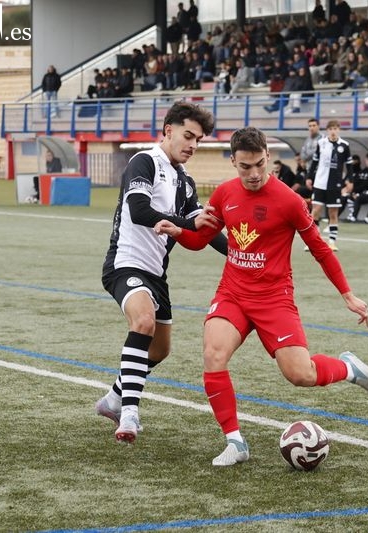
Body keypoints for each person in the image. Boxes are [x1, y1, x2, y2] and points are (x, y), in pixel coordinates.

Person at [154, 127, 368, 467]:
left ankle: (349, 368)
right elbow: (200, 240)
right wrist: (179, 231)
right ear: (233, 161)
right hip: (232, 292)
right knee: (213, 355)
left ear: (268, 157)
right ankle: (235, 442)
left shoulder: (289, 201)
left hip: (274, 298)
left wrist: (348, 294)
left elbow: (320, 249)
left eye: (260, 165)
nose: (254, 174)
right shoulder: (223, 195)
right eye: (245, 167)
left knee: (300, 375)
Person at [97, 102, 228, 444]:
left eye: (198, 140)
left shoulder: (185, 182)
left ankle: (112, 399)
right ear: (168, 130)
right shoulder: (145, 161)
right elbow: (139, 210)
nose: (193, 145)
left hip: (156, 274)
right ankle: (128, 413)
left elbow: (204, 230)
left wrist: (240, 254)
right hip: (124, 264)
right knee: (142, 322)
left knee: (159, 351)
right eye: (188, 136)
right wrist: (187, 223)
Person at [309, 120, 351, 251]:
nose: (333, 131)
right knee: (315, 210)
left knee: (333, 213)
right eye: (331, 128)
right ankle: (313, 241)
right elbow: (314, 162)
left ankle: (332, 242)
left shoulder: (344, 145)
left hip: (335, 184)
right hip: (320, 183)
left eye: (335, 128)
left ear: (339, 130)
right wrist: (309, 177)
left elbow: (349, 166)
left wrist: (350, 181)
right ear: (327, 130)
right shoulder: (321, 143)